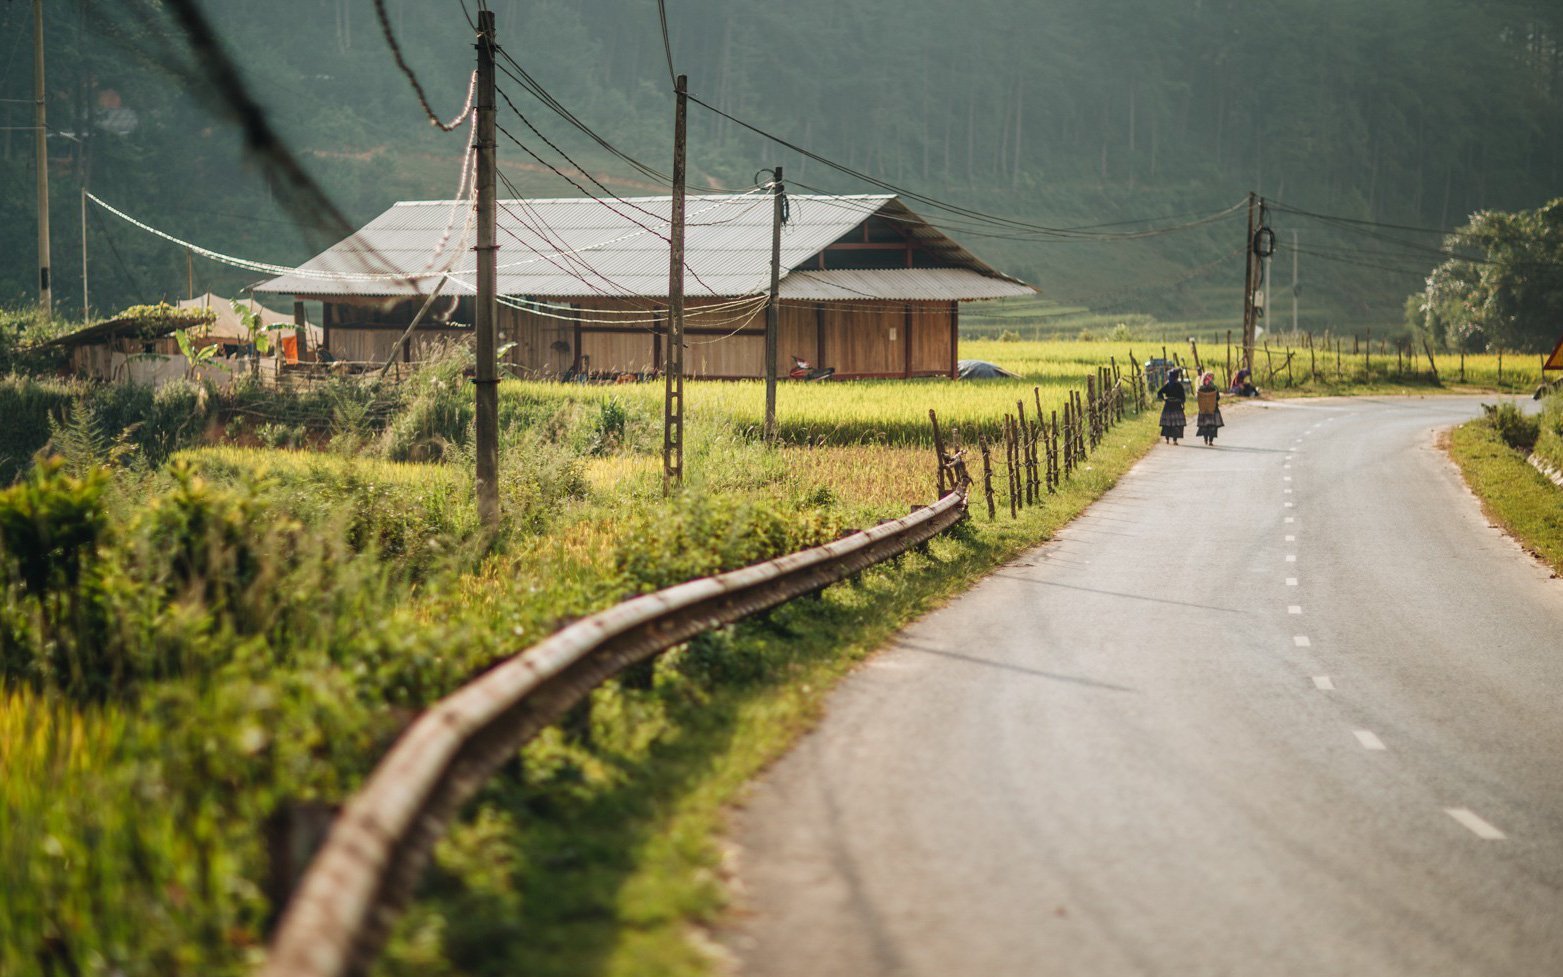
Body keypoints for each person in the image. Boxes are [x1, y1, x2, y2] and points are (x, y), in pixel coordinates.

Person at [1156, 367, 1187, 444]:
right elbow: (1183, 397)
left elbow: (1159, 393)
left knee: (1167, 424)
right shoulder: (1179, 386)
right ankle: (1175, 440)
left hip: (1168, 406)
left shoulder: (1167, 385)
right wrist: (1182, 403)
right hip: (1176, 407)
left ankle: (1167, 439)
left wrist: (1164, 399)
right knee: (1176, 424)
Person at [1196, 371, 1224, 446]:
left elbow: (1217, 397)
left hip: (1208, 409)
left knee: (1209, 426)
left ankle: (1208, 440)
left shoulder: (1207, 388)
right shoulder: (1207, 388)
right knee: (1209, 426)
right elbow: (1217, 398)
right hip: (1208, 409)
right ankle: (1208, 440)